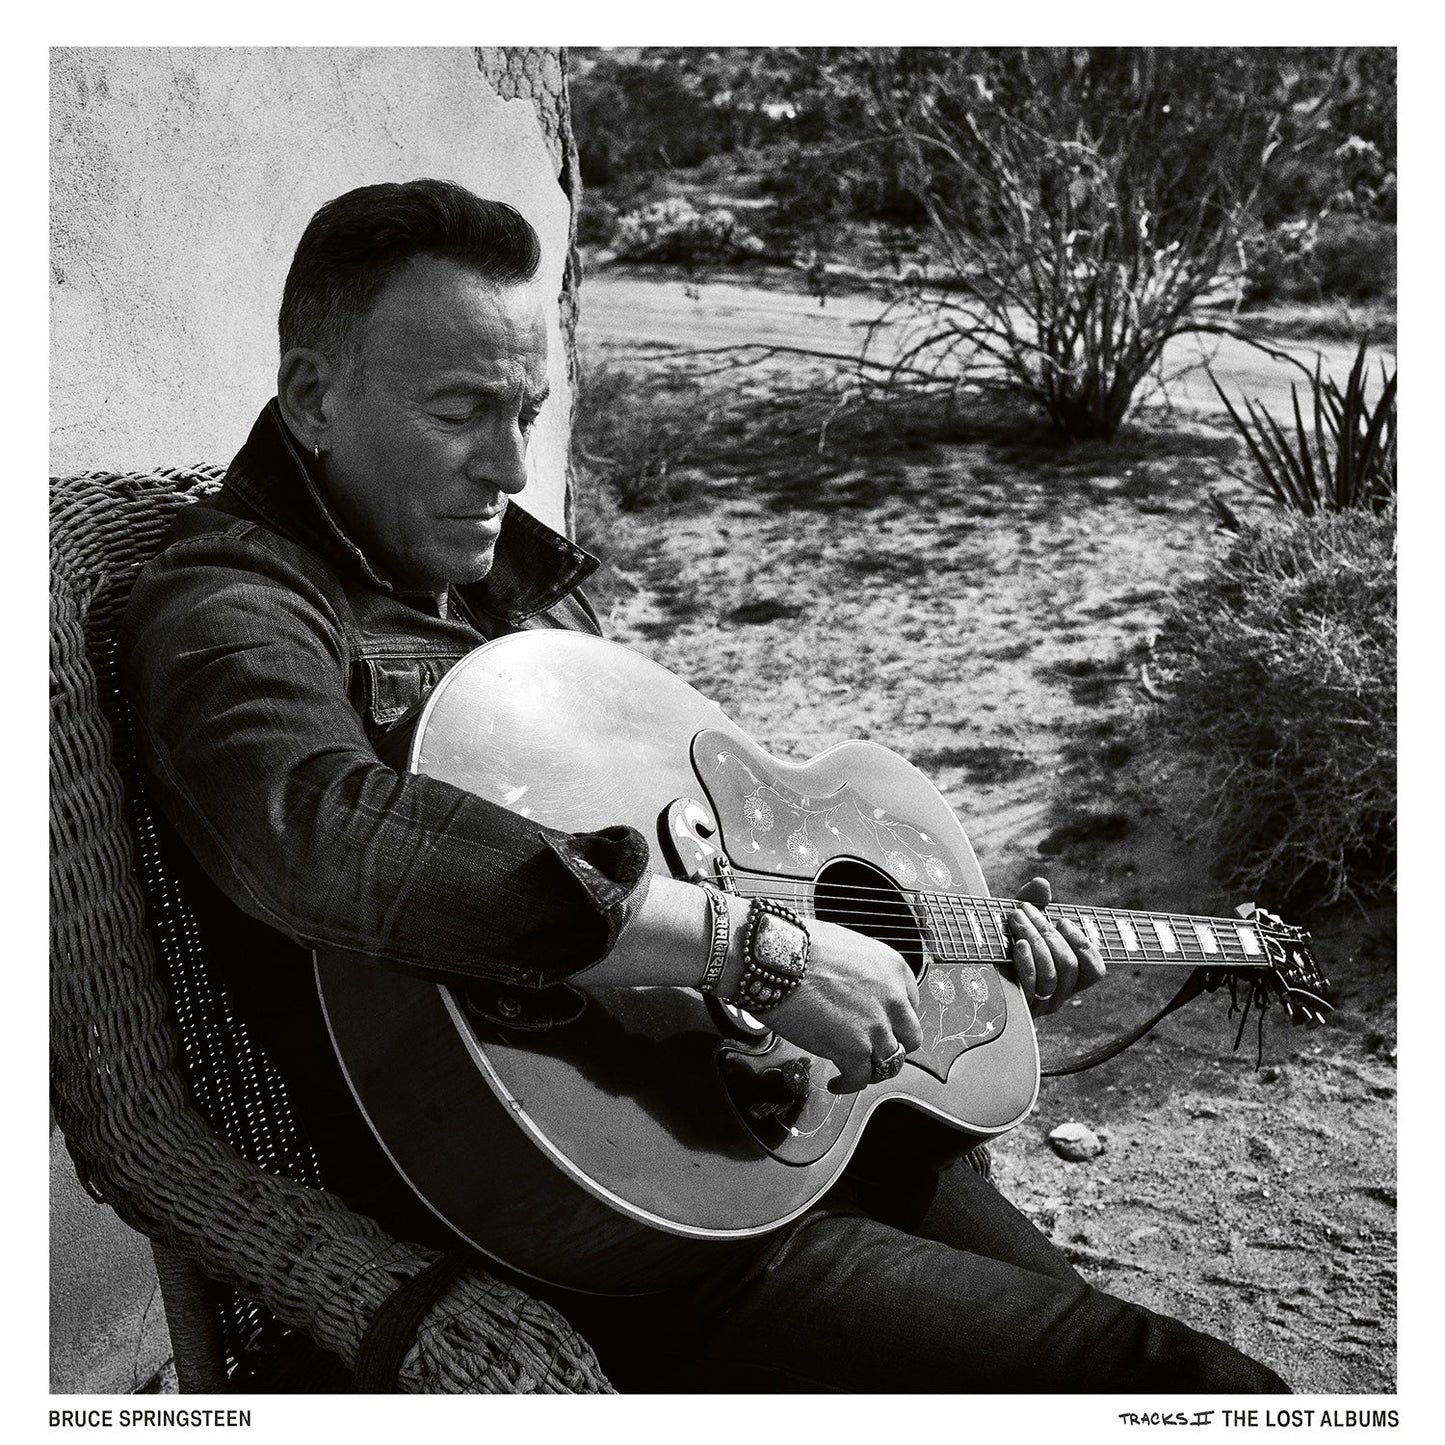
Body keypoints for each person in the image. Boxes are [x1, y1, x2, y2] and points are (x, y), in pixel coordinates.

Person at [121, 179, 1289, 1394]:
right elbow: (315, 832)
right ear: (313, 397)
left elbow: (705, 849)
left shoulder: (492, 588)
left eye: (527, 412)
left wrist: (943, 966)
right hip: (609, 1227)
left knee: (1128, 1354)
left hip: (758, 1119)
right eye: (459, 412)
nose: (510, 466)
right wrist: (755, 951)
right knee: (1178, 1382)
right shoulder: (235, 607)